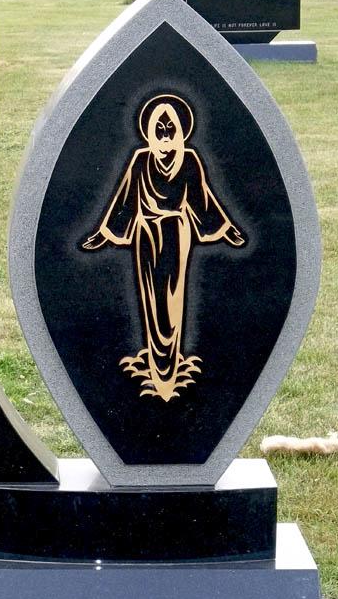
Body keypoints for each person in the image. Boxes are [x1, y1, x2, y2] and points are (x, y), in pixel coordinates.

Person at [82, 94, 245, 402]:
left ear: (183, 129)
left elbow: (204, 202)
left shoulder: (191, 160)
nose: (166, 133)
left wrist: (227, 228)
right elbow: (124, 202)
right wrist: (105, 232)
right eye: (160, 126)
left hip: (176, 234)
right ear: (150, 130)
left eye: (172, 126)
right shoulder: (141, 159)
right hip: (145, 235)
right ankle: (157, 371)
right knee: (150, 299)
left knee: (172, 298)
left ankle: (170, 367)